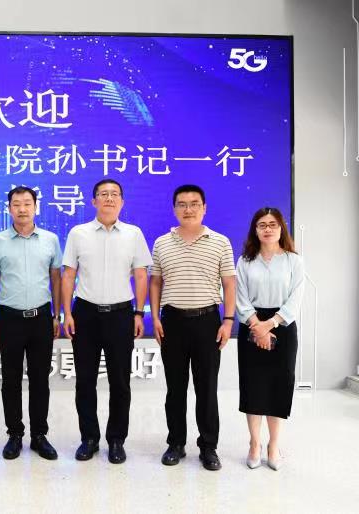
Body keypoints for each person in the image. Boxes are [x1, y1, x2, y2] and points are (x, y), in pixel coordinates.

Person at [62, 179, 152, 464]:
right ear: (94, 201)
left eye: (114, 195)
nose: (109, 199)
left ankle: (116, 440)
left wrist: (139, 313)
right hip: (85, 314)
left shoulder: (133, 234)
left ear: (122, 202)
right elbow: (68, 275)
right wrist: (67, 313)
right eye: (103, 194)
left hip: (121, 315)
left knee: (120, 382)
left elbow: (141, 275)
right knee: (85, 381)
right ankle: (89, 438)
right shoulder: (78, 233)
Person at [150, 184, 236, 471]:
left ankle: (208, 447)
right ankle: (175, 443)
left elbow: (229, 283)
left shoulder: (220, 242)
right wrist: (156, 317)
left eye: (194, 203)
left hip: (207, 322)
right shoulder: (162, 243)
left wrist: (228, 320)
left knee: (207, 389)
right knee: (175, 389)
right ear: (174, 209)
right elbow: (155, 282)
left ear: (204, 208)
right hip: (172, 322)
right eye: (182, 204)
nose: (188, 209)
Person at [0, 186, 63, 460]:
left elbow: (56, 278)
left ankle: (39, 435)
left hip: (41, 318)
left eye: (27, 203)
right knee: (11, 379)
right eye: (16, 204)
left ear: (35, 207)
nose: (22, 209)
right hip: (10, 318)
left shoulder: (50, 240)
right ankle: (14, 434)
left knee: (40, 379)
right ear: (9, 209)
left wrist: (57, 315)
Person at [236, 207, 304, 471]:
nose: (267, 229)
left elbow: (295, 299)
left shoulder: (293, 261)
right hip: (251, 325)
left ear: (281, 228)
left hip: (282, 327)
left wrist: (270, 324)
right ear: (255, 230)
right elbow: (240, 298)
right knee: (253, 386)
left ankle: (273, 445)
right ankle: (254, 443)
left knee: (278, 386)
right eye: (262, 225)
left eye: (272, 224)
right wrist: (257, 326)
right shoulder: (245, 261)